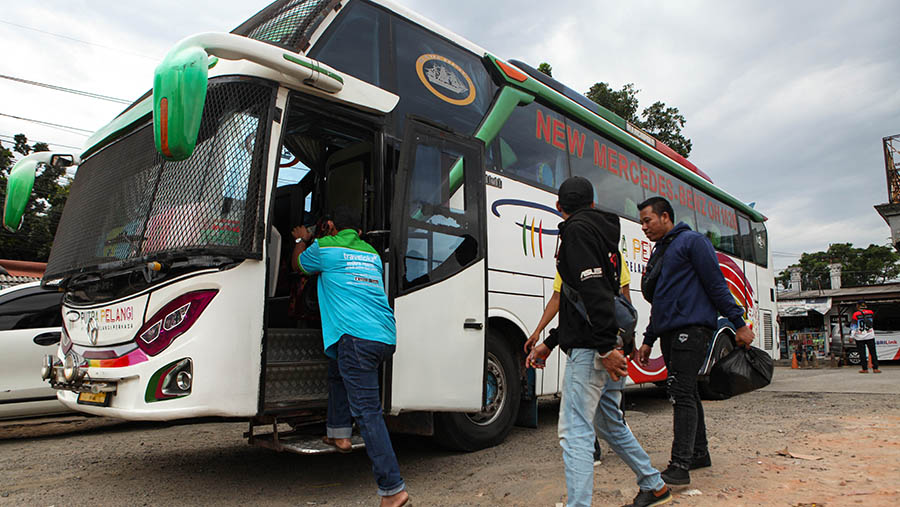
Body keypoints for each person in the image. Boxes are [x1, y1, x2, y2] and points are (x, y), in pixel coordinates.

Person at [528, 177, 671, 507]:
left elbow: (592, 294)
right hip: (603, 343)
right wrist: (551, 342)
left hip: (593, 349)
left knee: (574, 432)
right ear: (592, 204)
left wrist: (606, 348)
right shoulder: (604, 237)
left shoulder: (576, 233)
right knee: (609, 423)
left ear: (559, 208)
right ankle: (655, 485)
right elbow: (582, 300)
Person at [291, 207, 409, 507]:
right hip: (383, 337)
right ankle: (338, 433)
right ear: (358, 233)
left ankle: (393, 489)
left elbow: (299, 266)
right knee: (337, 370)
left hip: (356, 339)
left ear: (330, 225)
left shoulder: (325, 246)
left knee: (369, 414)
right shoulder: (370, 253)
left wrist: (301, 240)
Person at [636, 196, 754, 486]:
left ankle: (680, 465)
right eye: (641, 222)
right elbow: (661, 301)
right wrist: (648, 339)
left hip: (693, 329)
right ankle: (699, 453)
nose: (643, 227)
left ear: (665, 217)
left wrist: (739, 324)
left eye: (647, 220)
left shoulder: (693, 242)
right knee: (685, 391)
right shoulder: (660, 250)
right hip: (668, 331)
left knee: (680, 392)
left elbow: (716, 285)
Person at [524, 253, 633, 466]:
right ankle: (591, 450)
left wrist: (628, 338)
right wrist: (539, 332)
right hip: (584, 342)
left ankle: (643, 471)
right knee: (584, 402)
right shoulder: (568, 262)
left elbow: (623, 300)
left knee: (609, 402)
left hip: (603, 342)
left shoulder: (612, 256)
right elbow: (558, 299)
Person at [852, 301, 880, 373]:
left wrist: (852, 336)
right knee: (873, 352)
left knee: (862, 353)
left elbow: (854, 326)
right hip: (870, 335)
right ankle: (875, 368)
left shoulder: (855, 314)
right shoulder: (870, 312)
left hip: (859, 336)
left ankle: (865, 369)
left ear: (858, 306)